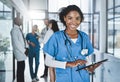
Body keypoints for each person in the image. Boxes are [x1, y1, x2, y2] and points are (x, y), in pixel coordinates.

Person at [43, 5, 101, 82]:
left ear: (81, 20)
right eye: (70, 18)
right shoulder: (56, 37)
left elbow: (87, 59)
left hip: (83, 78)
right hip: (64, 79)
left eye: (77, 18)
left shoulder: (84, 37)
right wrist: (68, 64)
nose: (74, 22)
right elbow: (48, 62)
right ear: (64, 18)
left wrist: (90, 67)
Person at [11, 17, 27, 82]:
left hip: (21, 53)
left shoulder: (18, 29)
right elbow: (16, 43)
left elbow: (21, 40)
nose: (21, 21)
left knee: (21, 69)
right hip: (20, 52)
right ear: (16, 21)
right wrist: (24, 51)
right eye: (19, 20)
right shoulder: (14, 30)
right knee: (20, 70)